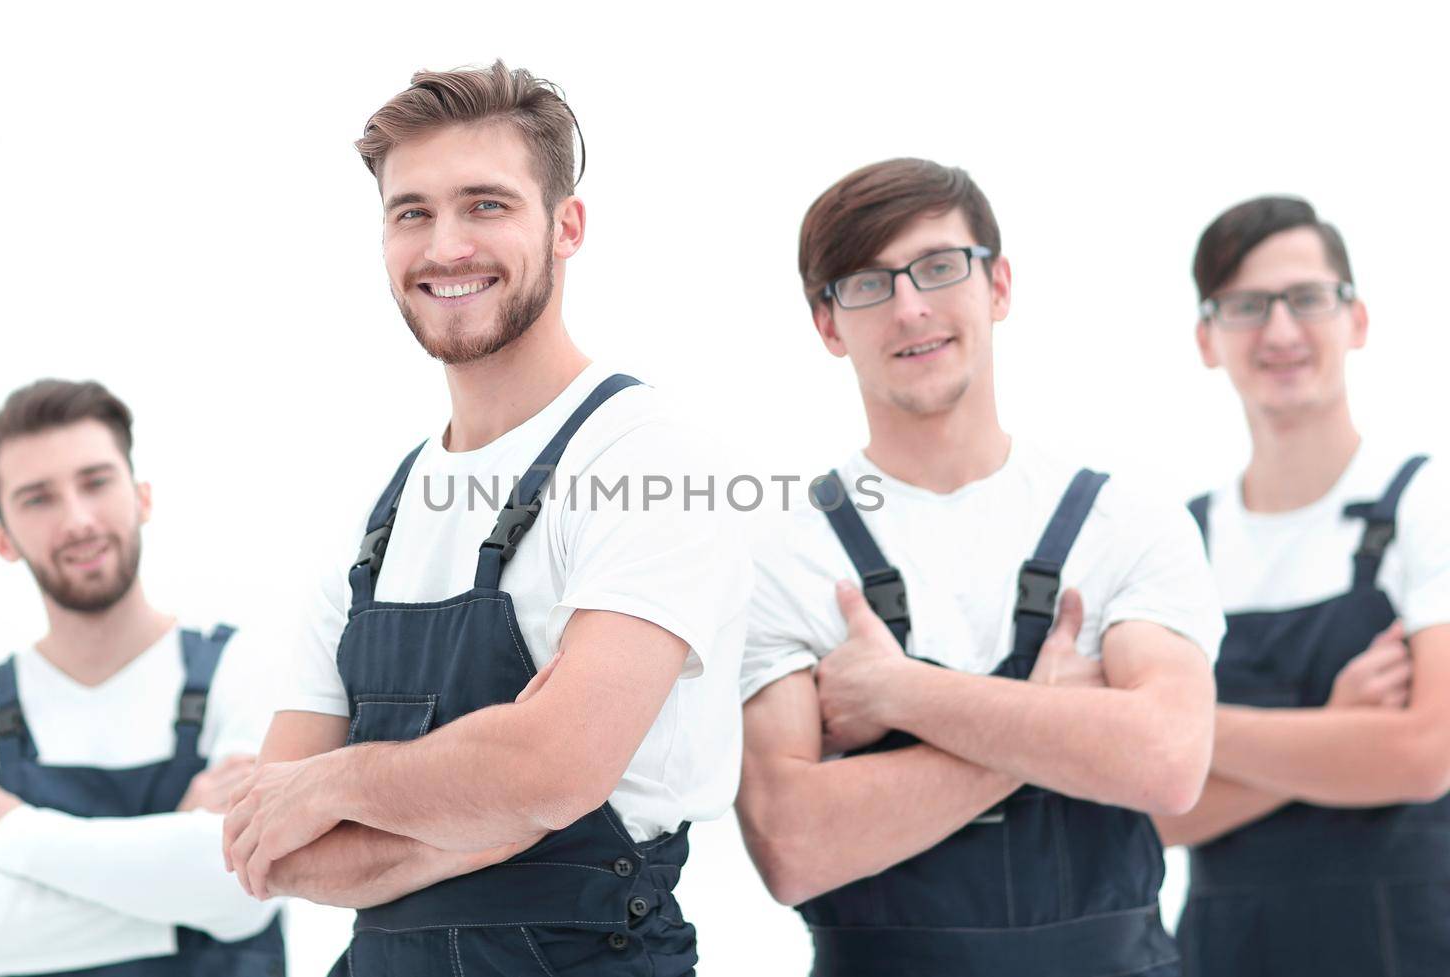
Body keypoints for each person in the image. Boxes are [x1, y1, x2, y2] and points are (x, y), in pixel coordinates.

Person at [220, 62, 749, 977]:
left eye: (486, 204)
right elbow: (277, 848)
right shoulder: (376, 521)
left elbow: (554, 767)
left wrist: (341, 782)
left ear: (566, 225)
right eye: (412, 212)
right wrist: (484, 822)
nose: (447, 246)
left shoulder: (649, 460)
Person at [735, 158, 1223, 976]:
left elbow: (1169, 760)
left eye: (937, 267)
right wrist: (1054, 721)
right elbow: (792, 842)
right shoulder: (780, 555)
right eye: (866, 282)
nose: (910, 306)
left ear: (998, 285)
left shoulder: (1127, 521)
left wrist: (901, 694)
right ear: (827, 324)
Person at [1153, 196, 1450, 975]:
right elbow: (1146, 815)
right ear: (1206, 338)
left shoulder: (1428, 504)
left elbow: (1425, 752)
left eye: (1308, 298)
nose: (1281, 330)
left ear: (1357, 319)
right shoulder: (1174, 544)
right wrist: (1339, 728)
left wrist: (1191, 735)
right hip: (1224, 952)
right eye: (1248, 305)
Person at [0, 379, 284, 976]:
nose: (78, 520)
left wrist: (16, 840)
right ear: (2, 540)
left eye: (96, 482)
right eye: (38, 499)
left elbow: (243, 895)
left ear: (143, 498)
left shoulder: (243, 671)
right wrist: (178, 858)